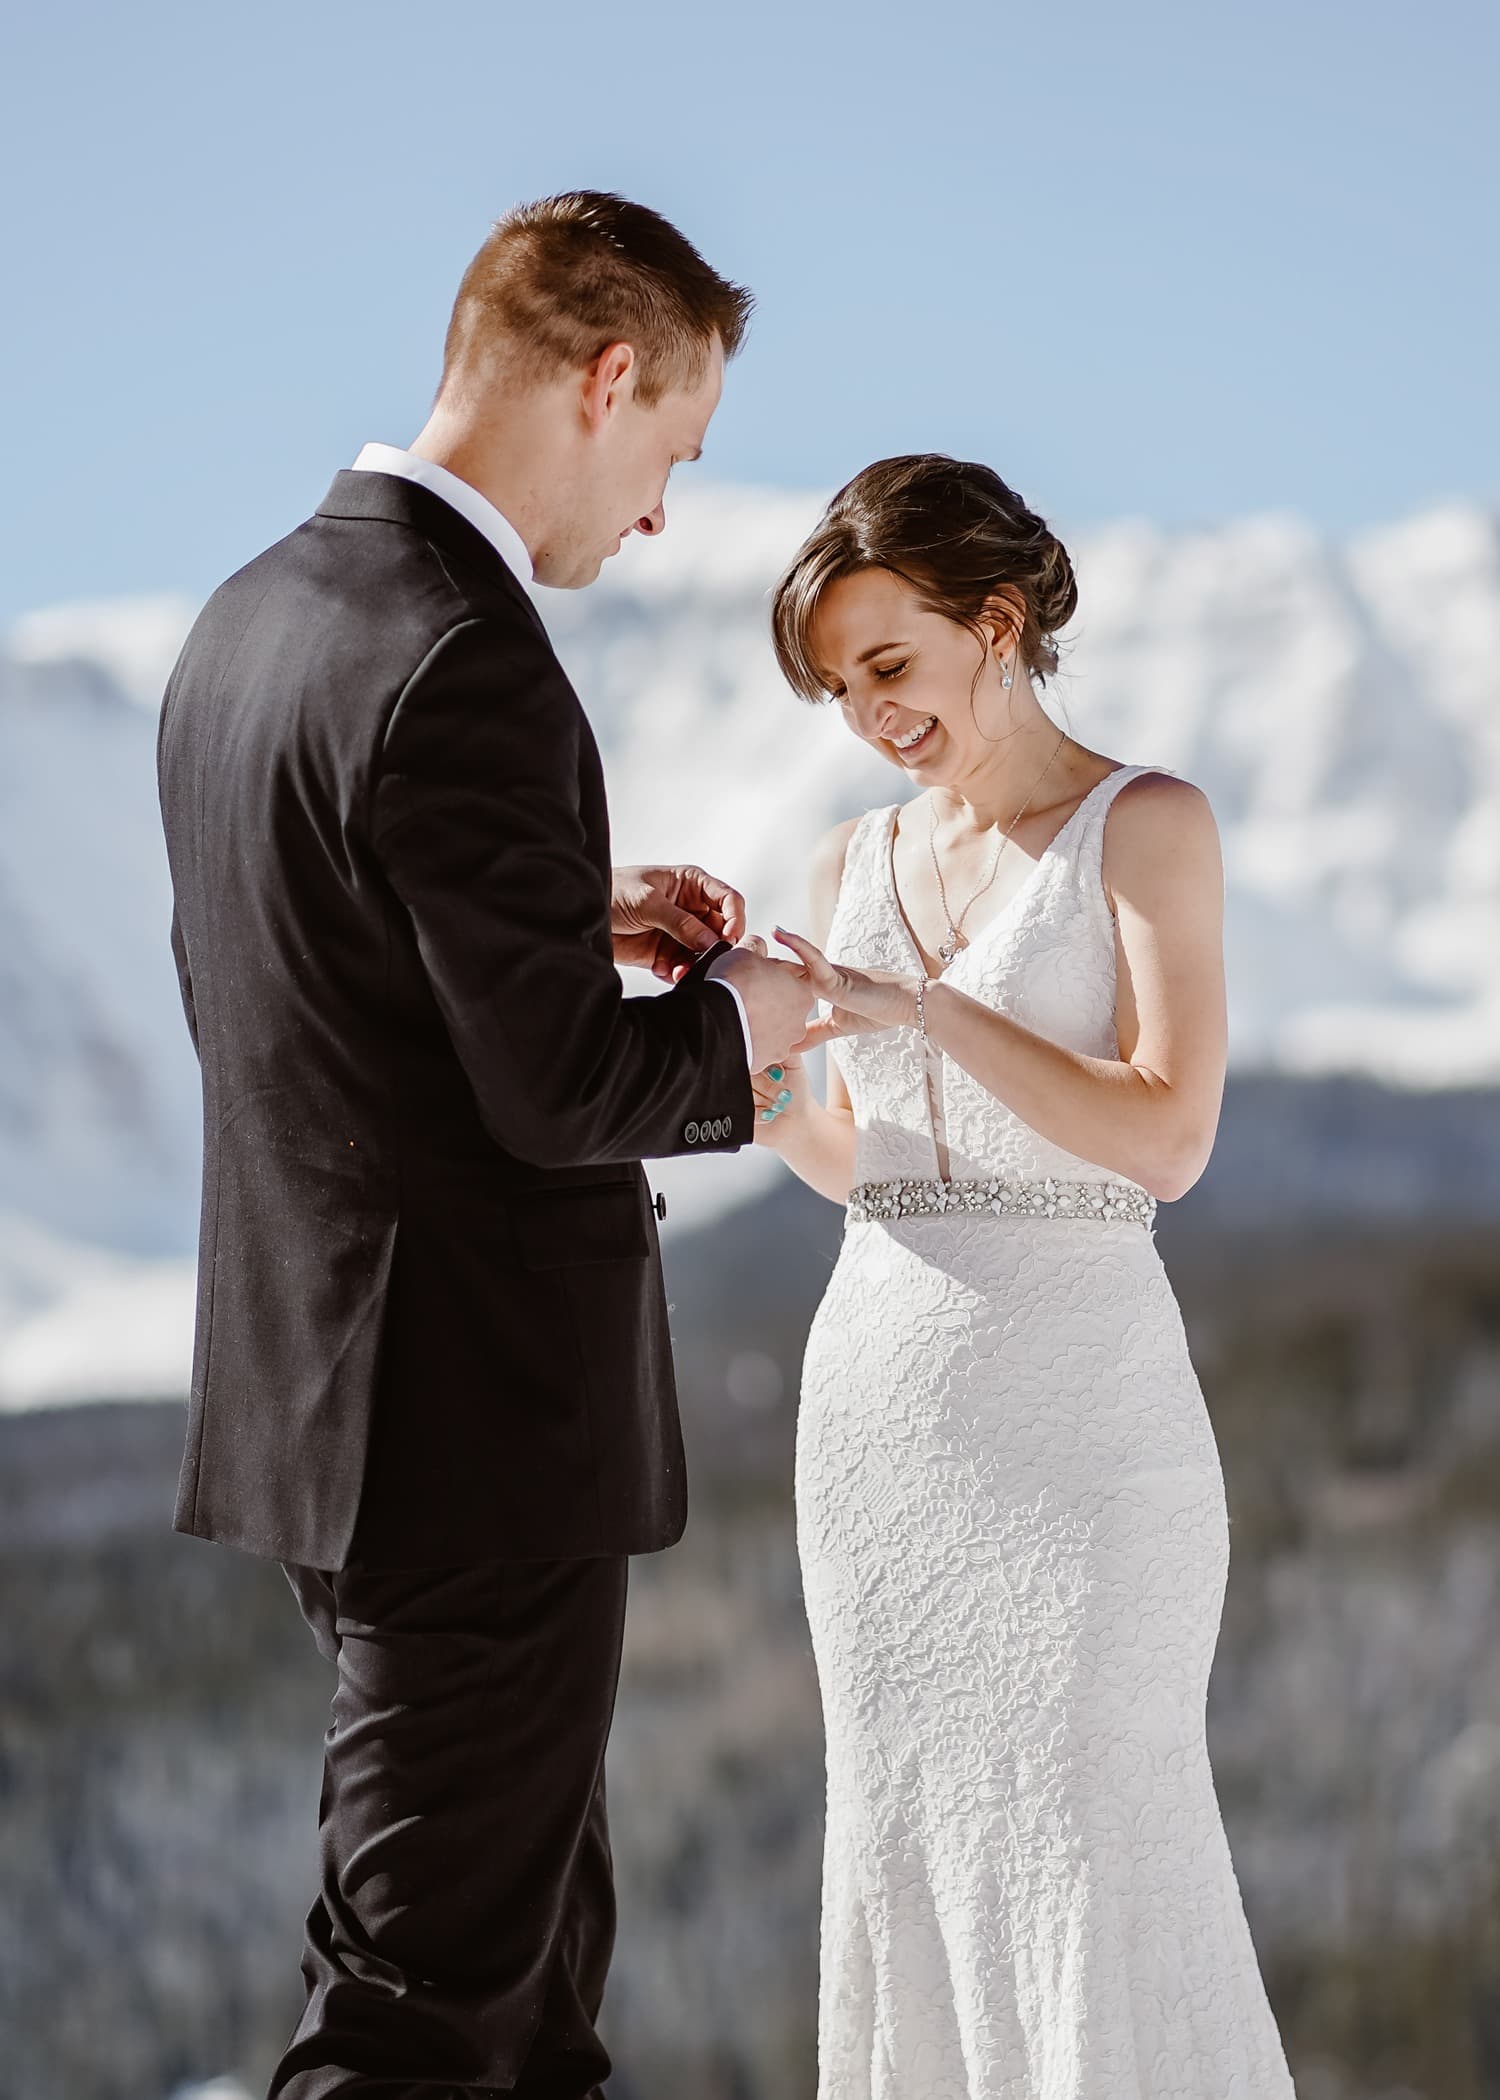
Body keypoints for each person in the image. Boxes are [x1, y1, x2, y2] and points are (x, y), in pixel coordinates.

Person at [155, 190, 810, 2099]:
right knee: (424, 2014)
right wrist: (743, 1031)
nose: (664, 512)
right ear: (609, 380)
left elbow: (284, 977)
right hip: (472, 1429)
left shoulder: (252, 619)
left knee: (520, 1995)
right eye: (676, 452)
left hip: (328, 1403)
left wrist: (546, 917)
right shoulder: (470, 655)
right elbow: (557, 1097)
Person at [755, 453, 1298, 2098]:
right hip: (879, 1440)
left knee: (1085, 1823)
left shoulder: (1147, 826)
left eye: (889, 666)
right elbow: (869, 1163)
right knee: (904, 1828)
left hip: (1086, 1444)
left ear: (997, 623)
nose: (866, 713)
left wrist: (928, 1016)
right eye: (839, 687)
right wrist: (754, 1038)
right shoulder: (850, 859)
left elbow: (1166, 1137)